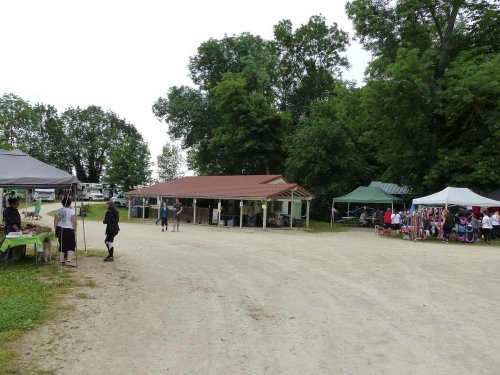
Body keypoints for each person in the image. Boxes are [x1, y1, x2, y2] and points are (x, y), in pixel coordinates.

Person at [54, 195, 77, 267]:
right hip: (68, 229)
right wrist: (74, 230)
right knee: (71, 244)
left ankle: (61, 261)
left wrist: (56, 230)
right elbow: (74, 222)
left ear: (62, 203)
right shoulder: (72, 212)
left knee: (62, 245)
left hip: (60, 228)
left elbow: (55, 222)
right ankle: (68, 261)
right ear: (70, 203)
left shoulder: (58, 211)